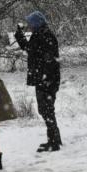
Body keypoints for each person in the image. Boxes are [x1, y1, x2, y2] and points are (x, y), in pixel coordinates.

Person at [14, 10, 62, 152]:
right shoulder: (41, 34)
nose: (29, 25)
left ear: (36, 23)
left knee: (46, 109)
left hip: (46, 80)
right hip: (44, 79)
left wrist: (46, 78)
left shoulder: (45, 35)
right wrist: (19, 35)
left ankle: (53, 142)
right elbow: (30, 49)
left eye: (30, 23)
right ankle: (55, 139)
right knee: (46, 109)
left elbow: (49, 60)